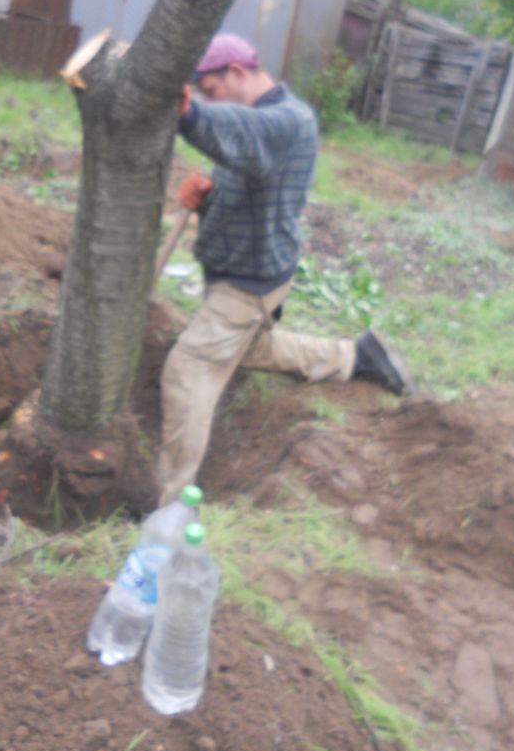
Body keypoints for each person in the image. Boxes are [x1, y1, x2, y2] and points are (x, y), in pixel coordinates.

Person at [157, 32, 413, 499]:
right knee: (250, 350)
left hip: (247, 282)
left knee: (188, 369)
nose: (213, 102)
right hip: (252, 272)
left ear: (237, 73)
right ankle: (356, 357)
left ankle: (170, 507)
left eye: (212, 91)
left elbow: (243, 136)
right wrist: (208, 195)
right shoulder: (263, 123)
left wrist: (191, 114)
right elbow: (246, 165)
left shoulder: (287, 121)